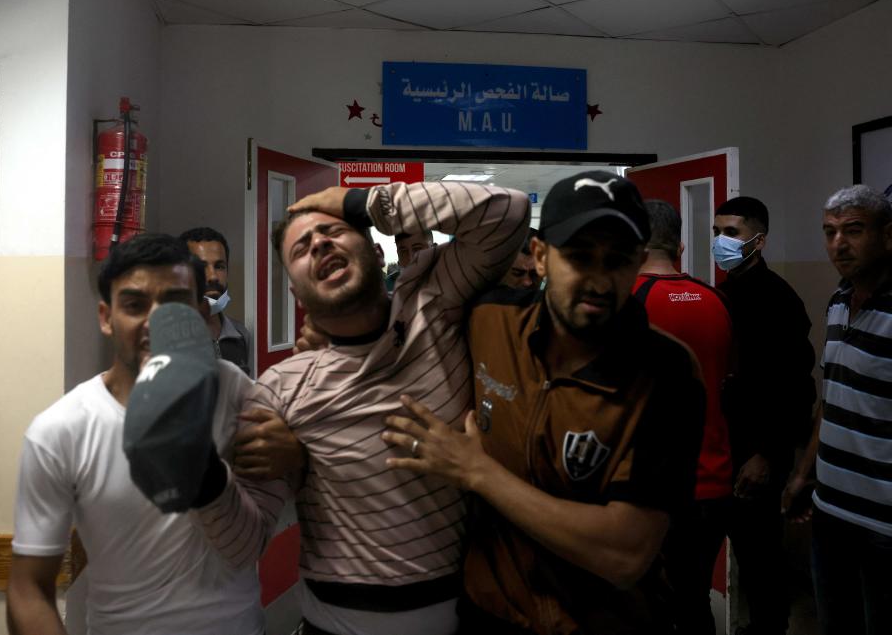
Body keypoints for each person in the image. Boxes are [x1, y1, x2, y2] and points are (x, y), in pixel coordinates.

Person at [382, 171, 706, 635]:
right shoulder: (489, 320)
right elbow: (398, 332)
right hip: (487, 615)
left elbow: (625, 554)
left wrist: (478, 473)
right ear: (540, 257)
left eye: (616, 260)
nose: (598, 280)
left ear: (637, 262)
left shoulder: (667, 372)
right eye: (578, 257)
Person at [228, 181, 529, 635]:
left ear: (372, 246)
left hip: (462, 614)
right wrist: (208, 476)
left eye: (333, 231)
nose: (319, 243)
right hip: (330, 623)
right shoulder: (283, 387)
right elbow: (241, 542)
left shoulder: (435, 308)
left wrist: (363, 203)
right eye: (301, 248)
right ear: (295, 291)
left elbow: (507, 210)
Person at [7, 234, 288, 635]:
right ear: (106, 317)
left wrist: (292, 452)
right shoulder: (60, 431)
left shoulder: (239, 395)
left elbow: (250, 543)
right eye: (135, 305)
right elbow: (29, 587)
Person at [781, 185, 892, 635]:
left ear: (887, 235)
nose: (838, 245)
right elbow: (834, 397)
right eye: (829, 233)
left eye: (853, 230)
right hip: (831, 513)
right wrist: (804, 474)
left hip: (884, 524)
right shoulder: (839, 302)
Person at [712, 196, 816, 635]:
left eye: (731, 233)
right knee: (744, 557)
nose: (721, 241)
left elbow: (795, 388)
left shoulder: (779, 300)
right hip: (726, 449)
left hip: (759, 457)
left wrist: (768, 456)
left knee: (762, 561)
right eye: (717, 231)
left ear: (759, 239)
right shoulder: (724, 292)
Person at [633, 200, 735, 635]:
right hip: (713, 482)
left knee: (646, 606)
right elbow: (729, 380)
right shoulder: (715, 300)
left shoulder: (628, 302)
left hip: (652, 486)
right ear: (679, 243)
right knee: (693, 600)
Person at [180, 227, 253, 375]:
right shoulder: (171, 337)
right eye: (201, 267)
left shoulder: (241, 335)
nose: (213, 276)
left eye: (219, 266)